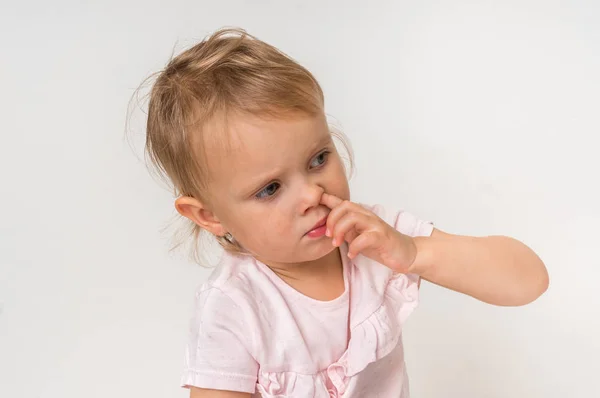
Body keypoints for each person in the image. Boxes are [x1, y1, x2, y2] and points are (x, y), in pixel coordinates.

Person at [139, 27, 548, 398]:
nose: (312, 194)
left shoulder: (377, 237)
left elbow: (528, 280)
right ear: (209, 216)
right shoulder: (233, 308)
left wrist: (415, 253)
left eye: (318, 159)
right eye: (270, 188)